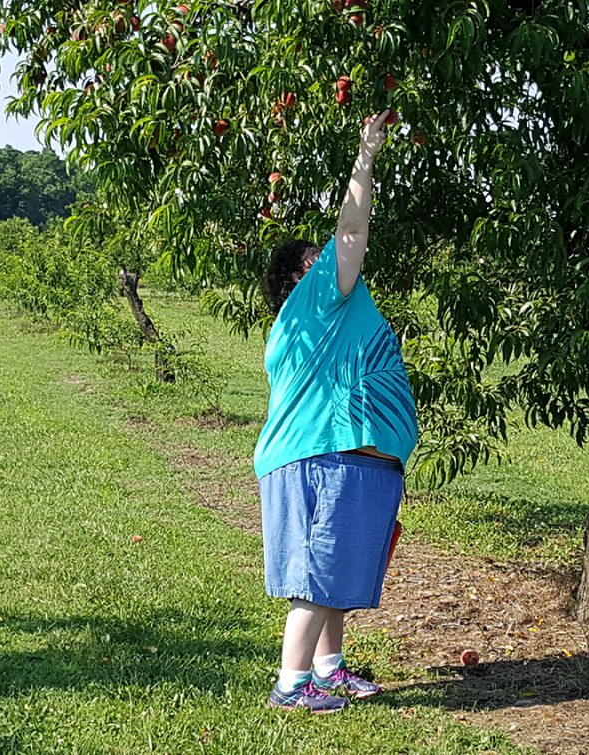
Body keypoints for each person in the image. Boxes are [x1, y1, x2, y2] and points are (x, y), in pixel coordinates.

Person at [254, 110, 418, 713]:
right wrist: (366, 154)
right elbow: (352, 232)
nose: (331, 255)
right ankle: (292, 685)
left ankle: (327, 669)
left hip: (331, 455)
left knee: (333, 569)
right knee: (321, 572)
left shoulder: (308, 324)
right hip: (330, 455)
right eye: (316, 257)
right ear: (303, 276)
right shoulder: (320, 299)